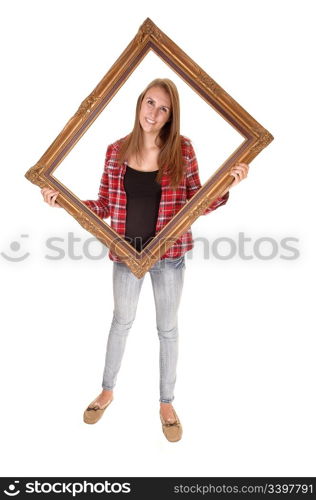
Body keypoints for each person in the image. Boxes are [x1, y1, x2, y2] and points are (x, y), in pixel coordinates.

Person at [41, 78, 249, 442]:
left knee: (167, 329)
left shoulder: (182, 150)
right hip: (126, 255)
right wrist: (63, 200)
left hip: (168, 257)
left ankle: (166, 403)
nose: (153, 112)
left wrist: (228, 184)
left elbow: (196, 202)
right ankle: (107, 390)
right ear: (139, 104)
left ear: (171, 116)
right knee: (121, 322)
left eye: (163, 108)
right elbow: (103, 206)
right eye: (149, 103)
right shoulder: (114, 151)